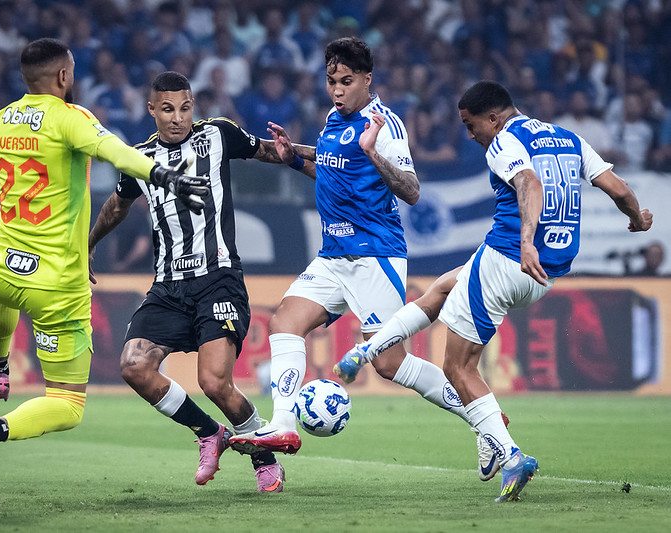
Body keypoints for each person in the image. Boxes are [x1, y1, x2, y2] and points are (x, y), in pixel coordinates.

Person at [0, 38, 209, 481]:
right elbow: (115, 151)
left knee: (1, 286)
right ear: (63, 75)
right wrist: (163, 174)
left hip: (1, 267)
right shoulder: (71, 118)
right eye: (71, 70)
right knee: (67, 404)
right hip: (55, 285)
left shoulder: (1, 120)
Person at [335, 80, 653, 502]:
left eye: (471, 125)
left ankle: (509, 454)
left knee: (458, 368)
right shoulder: (568, 138)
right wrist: (637, 218)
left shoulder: (505, 140)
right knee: (443, 288)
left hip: (509, 259)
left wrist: (527, 241)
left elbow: (529, 184)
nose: (471, 135)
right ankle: (366, 352)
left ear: (493, 117)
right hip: (545, 274)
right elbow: (618, 188)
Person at [229, 37, 477, 463]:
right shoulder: (333, 119)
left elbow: (411, 190)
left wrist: (372, 152)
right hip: (333, 256)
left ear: (367, 79)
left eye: (346, 81)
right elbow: (331, 169)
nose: (337, 90)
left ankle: (482, 417)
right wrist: (293, 158)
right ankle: (284, 425)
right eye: (331, 81)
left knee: (389, 363)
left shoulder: (384, 124)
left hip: (374, 256)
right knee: (284, 322)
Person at [87, 71, 313, 493]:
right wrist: (89, 243)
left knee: (213, 383)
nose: (178, 118)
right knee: (134, 367)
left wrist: (332, 158)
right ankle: (210, 433)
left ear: (193, 106)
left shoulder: (218, 134)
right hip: (168, 288)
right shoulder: (140, 158)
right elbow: (117, 205)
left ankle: (264, 459)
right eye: (168, 109)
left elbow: (272, 152)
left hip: (218, 280)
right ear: (151, 110)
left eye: (185, 108)